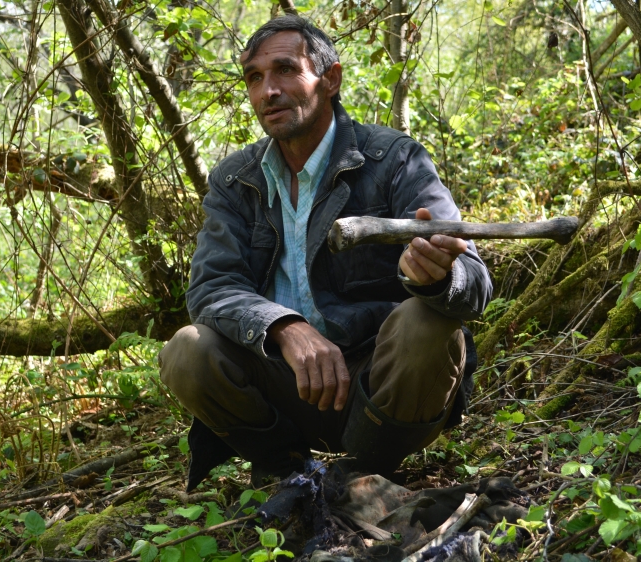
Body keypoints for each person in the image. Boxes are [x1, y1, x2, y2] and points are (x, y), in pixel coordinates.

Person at [159, 15, 492, 490]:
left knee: (427, 323)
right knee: (187, 350)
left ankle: (363, 474)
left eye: (285, 70)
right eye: (255, 77)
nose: (268, 90)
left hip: (377, 382)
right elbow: (212, 288)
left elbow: (475, 282)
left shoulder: (394, 159)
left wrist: (438, 277)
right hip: (281, 381)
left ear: (330, 79)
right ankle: (284, 472)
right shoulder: (235, 180)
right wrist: (285, 328)